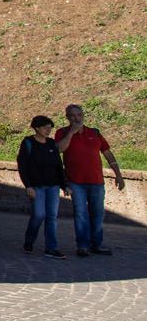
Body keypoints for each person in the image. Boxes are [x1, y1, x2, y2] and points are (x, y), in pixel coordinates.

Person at [55, 102, 127, 257]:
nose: (76, 118)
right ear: (67, 117)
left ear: (83, 115)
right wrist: (71, 133)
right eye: (72, 115)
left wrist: (118, 174)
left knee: (98, 213)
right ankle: (82, 246)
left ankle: (97, 244)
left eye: (79, 115)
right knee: (81, 213)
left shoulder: (94, 133)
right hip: (75, 181)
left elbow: (107, 153)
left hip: (96, 181)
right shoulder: (62, 132)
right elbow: (59, 150)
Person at [16, 115, 66, 259]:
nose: (48, 130)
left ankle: (51, 248)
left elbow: (58, 165)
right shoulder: (28, 143)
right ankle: (29, 240)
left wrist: (64, 185)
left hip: (53, 186)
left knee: (52, 217)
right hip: (36, 186)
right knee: (39, 215)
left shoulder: (51, 143)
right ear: (37, 128)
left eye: (50, 128)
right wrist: (28, 186)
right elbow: (22, 166)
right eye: (45, 128)